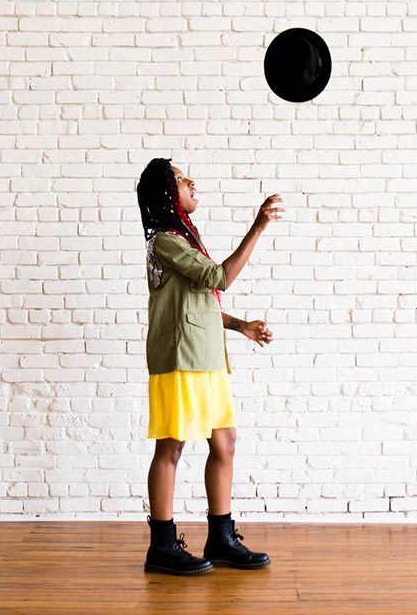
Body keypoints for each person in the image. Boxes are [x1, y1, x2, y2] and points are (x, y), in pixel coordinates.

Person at [136, 157, 284, 576]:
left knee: (225, 443)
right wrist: (258, 227)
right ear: (167, 193)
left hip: (207, 359)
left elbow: (201, 301)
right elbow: (220, 278)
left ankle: (221, 538)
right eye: (181, 179)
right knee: (172, 445)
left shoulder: (186, 239)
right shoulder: (166, 241)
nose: (191, 182)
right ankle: (161, 546)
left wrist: (241, 326)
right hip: (179, 360)